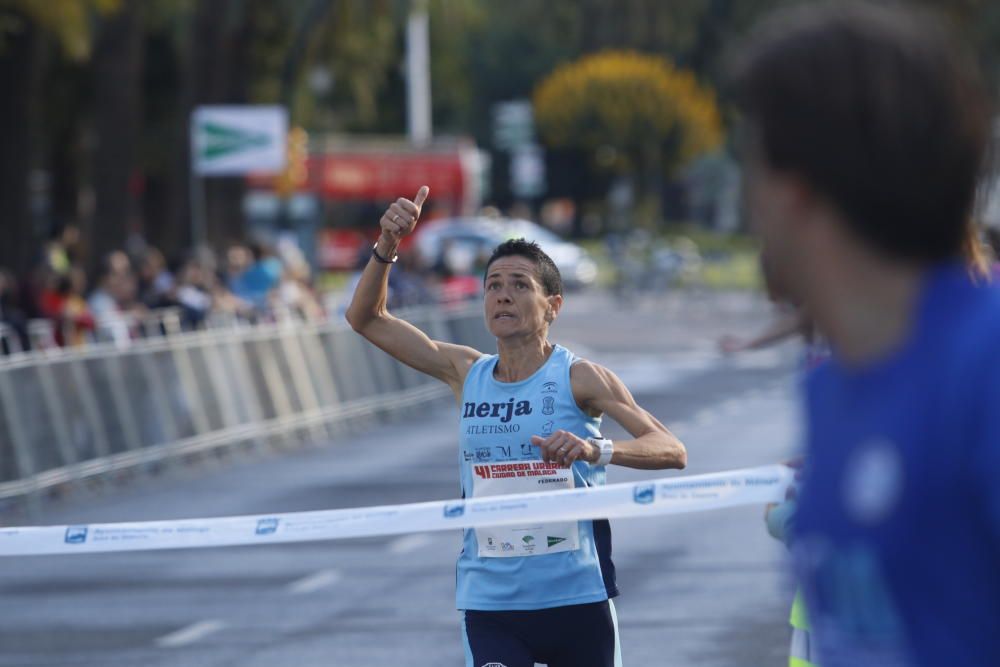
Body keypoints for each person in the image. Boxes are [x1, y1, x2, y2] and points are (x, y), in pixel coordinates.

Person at [731, 3, 1000, 666]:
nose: (747, 203)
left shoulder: (985, 367)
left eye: (752, 165)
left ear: (796, 190)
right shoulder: (834, 385)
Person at [346, 186, 687, 667]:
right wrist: (387, 246)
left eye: (521, 284)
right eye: (493, 285)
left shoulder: (579, 377)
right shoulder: (465, 371)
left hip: (577, 598)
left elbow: (671, 448)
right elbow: (366, 318)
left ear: (553, 306)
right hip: (491, 603)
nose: (503, 293)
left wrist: (597, 450)